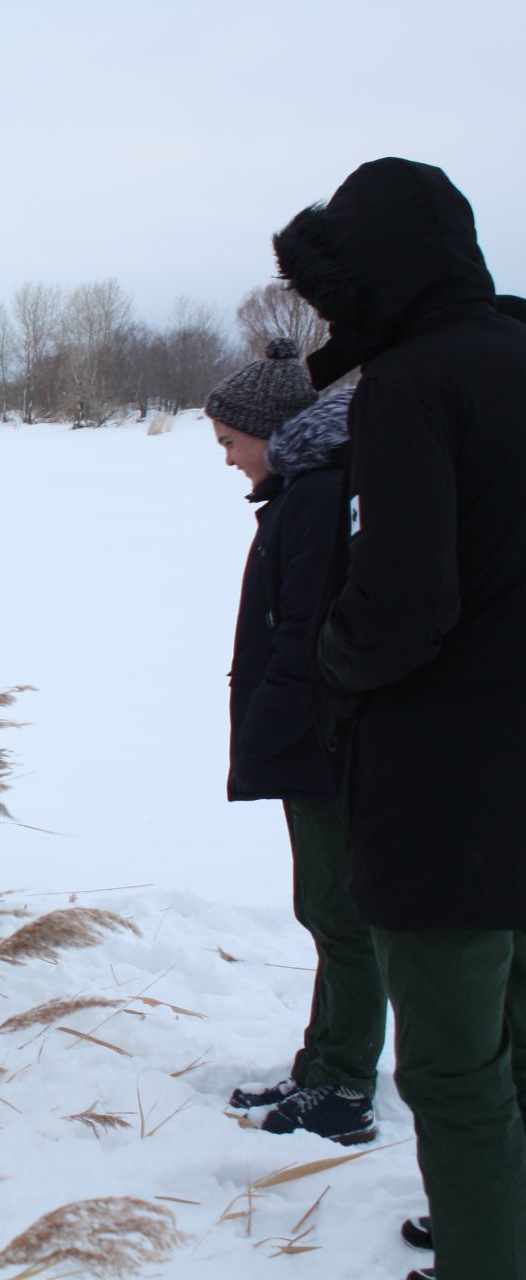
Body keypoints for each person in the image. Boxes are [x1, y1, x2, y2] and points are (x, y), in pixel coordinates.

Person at [277, 158, 526, 1280]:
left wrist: (334, 660)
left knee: (455, 1068)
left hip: (450, 788)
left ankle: (485, 1252)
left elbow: (402, 601)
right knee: (513, 1041)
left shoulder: (413, 384)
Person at [206, 344, 382, 1145]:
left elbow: (301, 638)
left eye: (231, 442)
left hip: (322, 744)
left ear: (274, 432)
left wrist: (273, 733)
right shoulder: (302, 495)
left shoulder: (314, 501)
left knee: (340, 913)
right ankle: (324, 1063)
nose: (230, 460)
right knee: (325, 908)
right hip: (311, 739)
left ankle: (345, 1081)